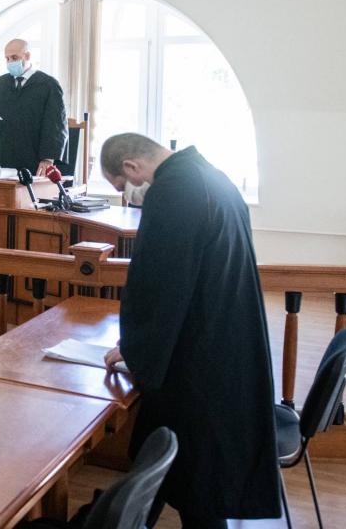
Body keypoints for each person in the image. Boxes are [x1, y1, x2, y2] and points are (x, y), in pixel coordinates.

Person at [99, 133, 279, 528]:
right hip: (224, 339)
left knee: (195, 478)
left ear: (131, 166)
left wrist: (135, 347)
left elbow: (160, 282)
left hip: (198, 358)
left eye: (123, 186)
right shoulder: (211, 176)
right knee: (181, 471)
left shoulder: (174, 192)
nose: (129, 195)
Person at [0, 38, 67, 176]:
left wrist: (47, 158)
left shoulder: (48, 85)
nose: (10, 62)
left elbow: (56, 124)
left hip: (33, 159)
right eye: (7, 58)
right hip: (1, 158)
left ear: (27, 56)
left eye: (14, 57)